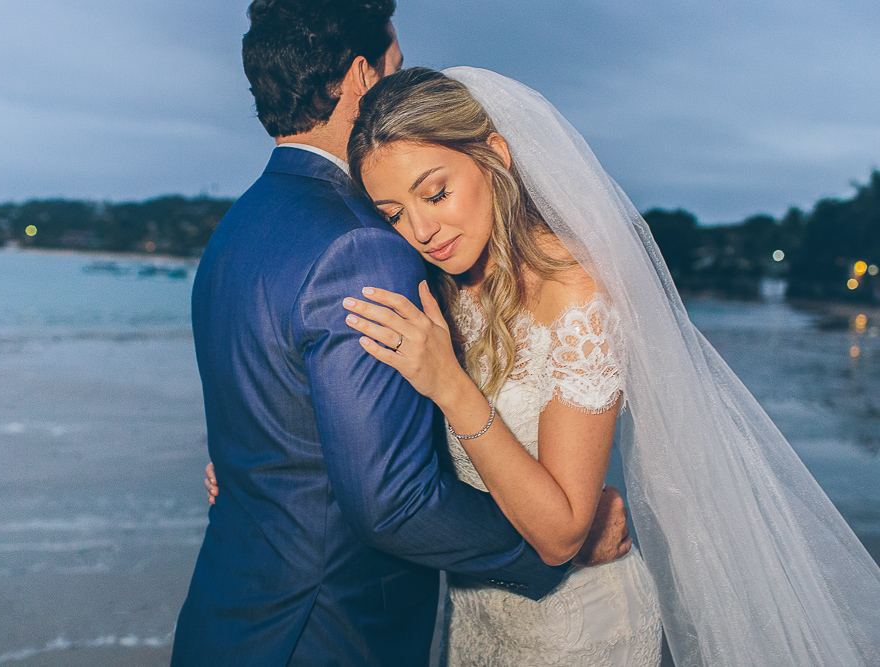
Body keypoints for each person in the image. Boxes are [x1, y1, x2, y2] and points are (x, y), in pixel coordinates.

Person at [330, 66, 880, 664]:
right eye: (393, 214)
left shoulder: (577, 293)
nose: (421, 229)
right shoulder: (444, 286)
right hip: (476, 616)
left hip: (578, 631)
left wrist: (451, 386)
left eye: (435, 193)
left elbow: (564, 529)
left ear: (495, 155)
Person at [171, 3, 633, 665]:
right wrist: (559, 547)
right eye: (395, 64)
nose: (415, 226)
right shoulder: (362, 244)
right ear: (363, 75)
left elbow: (287, 426)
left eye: (433, 194)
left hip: (230, 616)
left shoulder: (238, 230)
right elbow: (392, 500)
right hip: (327, 630)